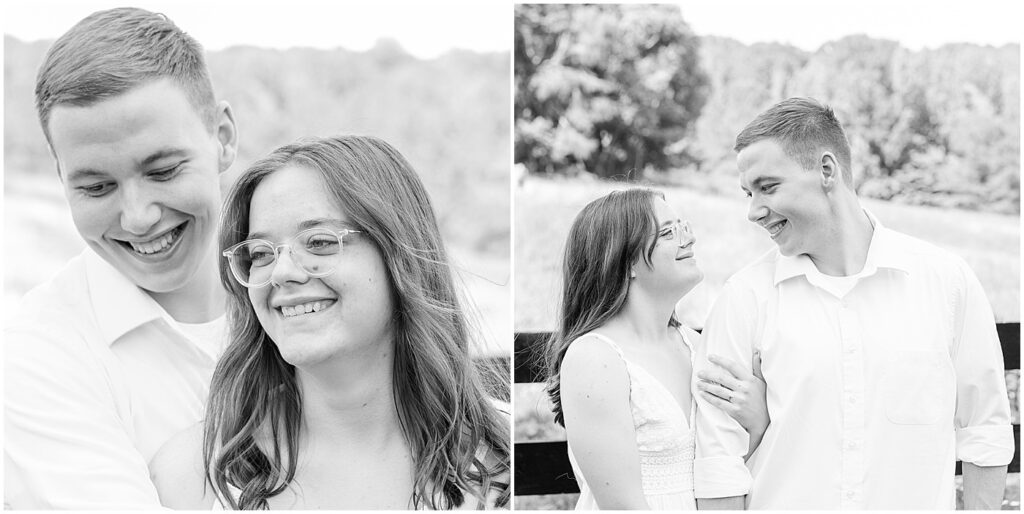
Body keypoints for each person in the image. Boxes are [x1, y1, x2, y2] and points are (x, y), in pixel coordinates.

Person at [148, 135, 510, 510]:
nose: (282, 272)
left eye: (319, 242)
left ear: (399, 254)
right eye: (260, 253)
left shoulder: (500, 463)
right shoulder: (194, 475)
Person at [692, 97, 1013, 510]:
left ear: (827, 170)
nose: (753, 211)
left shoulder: (946, 282)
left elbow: (984, 428)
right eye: (747, 193)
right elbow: (718, 460)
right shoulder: (744, 299)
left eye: (767, 187)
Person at [4, 8, 238, 509]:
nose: (136, 217)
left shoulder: (307, 291)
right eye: (96, 187)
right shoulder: (39, 360)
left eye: (163, 171)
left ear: (222, 137)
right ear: (61, 175)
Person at [544, 188, 769, 510]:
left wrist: (758, 422)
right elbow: (623, 507)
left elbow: (726, 472)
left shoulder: (697, 345)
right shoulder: (595, 359)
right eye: (668, 233)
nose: (689, 240)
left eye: (684, 227)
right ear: (623, 261)